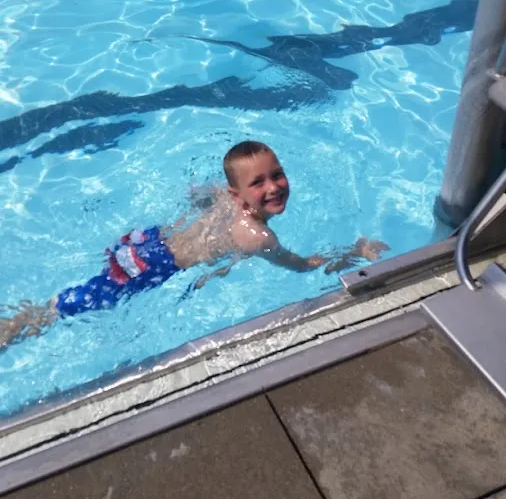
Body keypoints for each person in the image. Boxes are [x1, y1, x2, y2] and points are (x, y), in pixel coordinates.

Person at [0, 141, 388, 346]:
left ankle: (22, 320)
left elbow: (197, 195)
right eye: (258, 182)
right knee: (71, 307)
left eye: (277, 174)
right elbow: (301, 266)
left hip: (148, 239)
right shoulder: (258, 237)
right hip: (155, 268)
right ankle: (13, 327)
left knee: (82, 291)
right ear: (237, 194)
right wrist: (354, 252)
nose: (273, 187)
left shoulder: (222, 196)